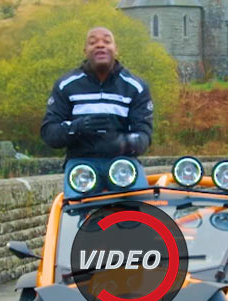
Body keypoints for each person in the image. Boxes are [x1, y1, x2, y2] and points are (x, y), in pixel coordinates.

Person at [41, 27, 153, 194]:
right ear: (85, 51)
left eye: (107, 41)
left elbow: (144, 135)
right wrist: (77, 127)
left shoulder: (136, 87)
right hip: (81, 163)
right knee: (77, 215)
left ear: (116, 49)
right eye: (93, 42)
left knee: (139, 214)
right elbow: (49, 133)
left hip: (123, 163)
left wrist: (121, 142)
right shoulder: (66, 85)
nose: (100, 45)